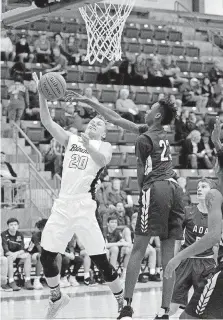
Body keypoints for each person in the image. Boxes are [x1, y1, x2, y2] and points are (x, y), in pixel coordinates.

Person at [65, 91, 185, 320]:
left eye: (152, 107)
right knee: (168, 254)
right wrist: (91, 101)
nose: (147, 108)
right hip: (175, 189)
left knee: (139, 248)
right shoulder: (158, 133)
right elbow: (118, 120)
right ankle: (164, 311)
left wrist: (148, 193)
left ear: (157, 115)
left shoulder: (143, 139)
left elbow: (141, 179)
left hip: (157, 189)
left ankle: (127, 307)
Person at [32, 72, 124, 319]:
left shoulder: (104, 147)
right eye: (92, 121)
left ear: (104, 133)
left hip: (84, 207)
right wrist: (42, 94)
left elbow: (101, 160)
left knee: (101, 262)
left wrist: (86, 144)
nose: (95, 122)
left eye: (99, 123)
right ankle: (57, 297)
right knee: (47, 255)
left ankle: (122, 303)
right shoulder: (72, 139)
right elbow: (47, 122)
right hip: (62, 205)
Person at [165, 116, 223, 319]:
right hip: (196, 262)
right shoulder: (197, 207)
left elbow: (213, 238)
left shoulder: (215, 197)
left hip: (207, 263)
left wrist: (177, 257)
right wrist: (216, 145)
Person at [169, 178, 217, 316]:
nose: (199, 189)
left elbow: (216, 246)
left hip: (206, 264)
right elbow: (177, 240)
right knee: (171, 307)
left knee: (204, 309)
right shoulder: (187, 211)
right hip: (186, 262)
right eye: (198, 186)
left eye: (203, 186)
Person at [1, 218, 34, 291]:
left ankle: (27, 281)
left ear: (18, 226)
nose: (13, 226)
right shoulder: (3, 234)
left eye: (15, 225)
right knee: (9, 258)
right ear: (8, 226)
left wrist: (16, 254)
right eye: (11, 225)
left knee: (27, 256)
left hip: (17, 255)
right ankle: (11, 281)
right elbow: (6, 251)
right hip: (8, 255)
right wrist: (14, 255)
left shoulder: (20, 234)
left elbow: (22, 249)